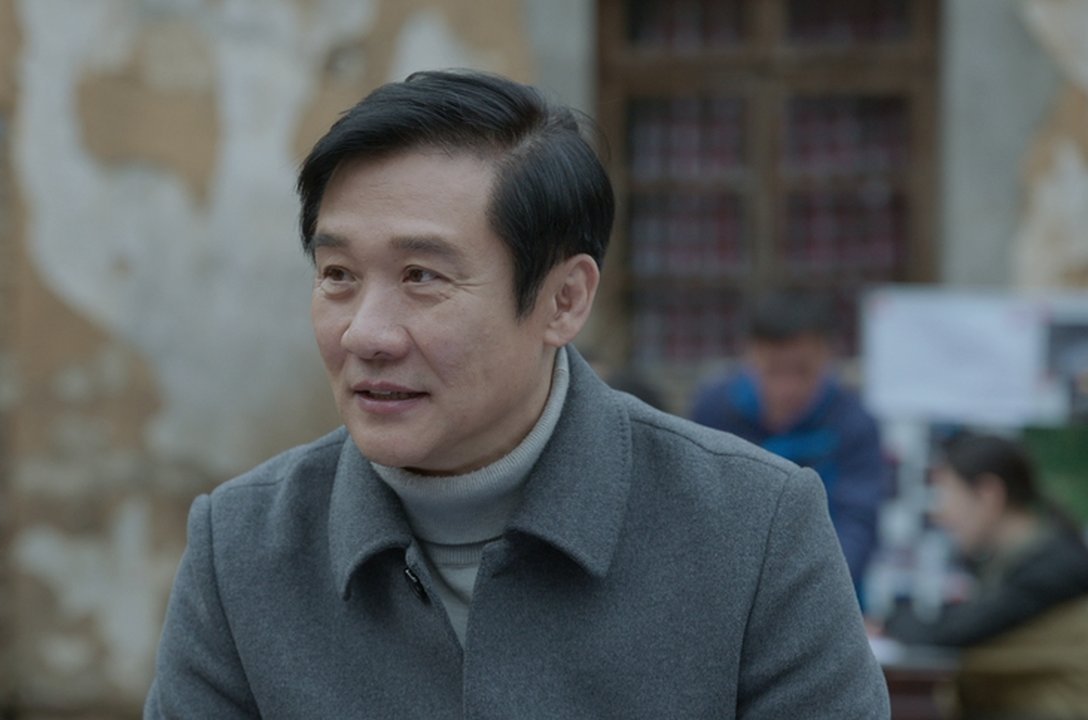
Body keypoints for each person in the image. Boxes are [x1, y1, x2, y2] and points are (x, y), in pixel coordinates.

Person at [145, 70, 887, 718]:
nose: (365, 334)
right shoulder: (240, 549)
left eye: (422, 277)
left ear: (564, 300)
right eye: (337, 275)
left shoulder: (755, 532)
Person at [689, 290, 889, 590]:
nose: (787, 388)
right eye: (773, 370)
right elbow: (696, 512)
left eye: (802, 370)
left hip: (827, 590)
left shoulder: (854, 424)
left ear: (827, 355)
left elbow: (857, 524)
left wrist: (818, 591)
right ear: (750, 355)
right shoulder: (713, 411)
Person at [883, 432, 1088, 717]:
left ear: (988, 494)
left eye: (946, 493)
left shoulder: (1049, 574)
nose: (939, 512)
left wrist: (890, 622)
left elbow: (952, 634)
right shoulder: (1031, 561)